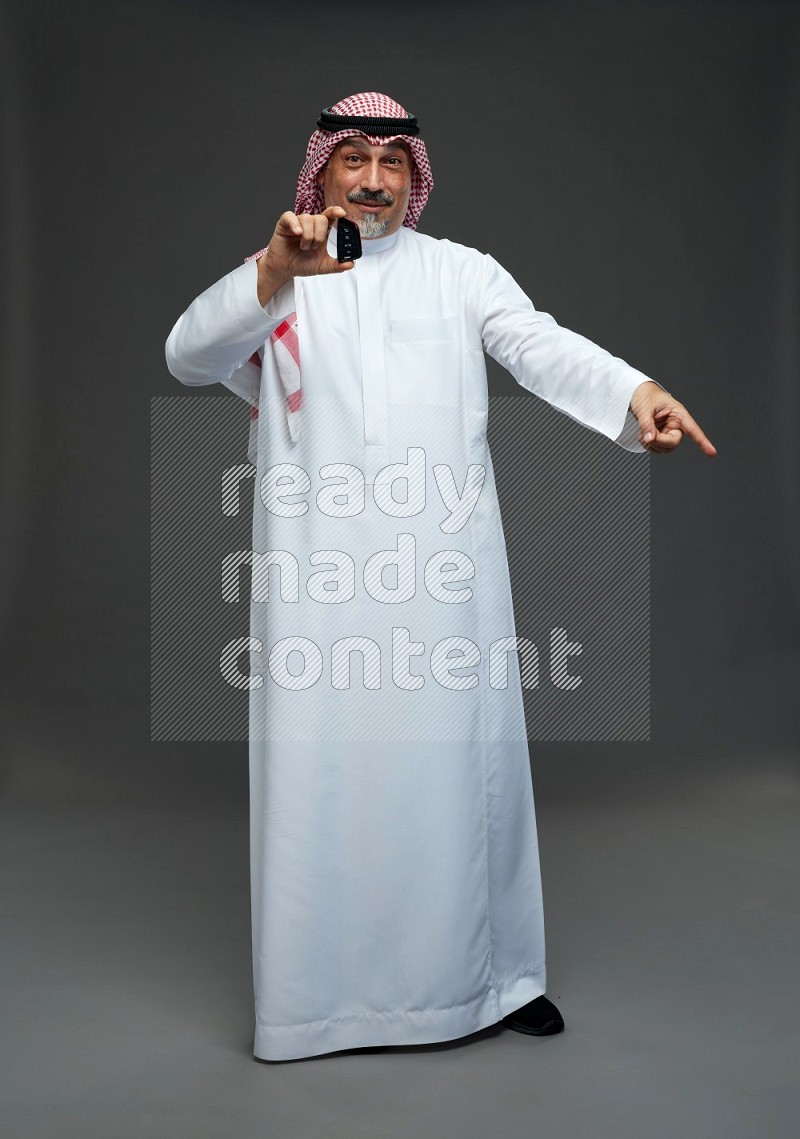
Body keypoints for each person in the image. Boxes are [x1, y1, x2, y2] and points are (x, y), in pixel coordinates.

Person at [165, 91, 716, 1063]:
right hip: (319, 585)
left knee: (464, 775)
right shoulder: (280, 272)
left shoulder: (459, 273)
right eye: (353, 158)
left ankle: (493, 983)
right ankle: (318, 1006)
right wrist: (268, 273)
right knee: (326, 781)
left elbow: (537, 343)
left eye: (391, 161)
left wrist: (635, 390)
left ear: (413, 179)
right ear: (321, 170)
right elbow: (189, 353)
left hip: (441, 578)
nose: (372, 178)